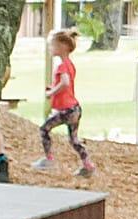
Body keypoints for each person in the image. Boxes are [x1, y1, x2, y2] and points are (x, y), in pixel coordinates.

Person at [33, 29, 95, 178]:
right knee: (74, 139)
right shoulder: (70, 64)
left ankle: (49, 159)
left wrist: (52, 92)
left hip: (66, 109)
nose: (50, 49)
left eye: (52, 45)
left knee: (44, 129)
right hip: (75, 109)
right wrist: (55, 89)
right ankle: (88, 165)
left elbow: (65, 83)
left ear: (62, 46)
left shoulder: (62, 66)